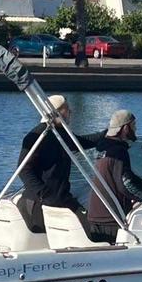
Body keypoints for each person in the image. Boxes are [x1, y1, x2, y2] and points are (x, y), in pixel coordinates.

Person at [17, 95, 105, 233]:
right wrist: (45, 194)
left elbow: (81, 142)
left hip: (58, 199)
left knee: (87, 216)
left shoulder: (60, 133)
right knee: (92, 230)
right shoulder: (38, 135)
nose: (71, 113)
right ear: (57, 112)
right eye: (68, 109)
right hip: (40, 204)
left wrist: (107, 133)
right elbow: (23, 170)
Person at [87, 109, 142, 244]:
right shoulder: (118, 151)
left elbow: (122, 178)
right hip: (112, 219)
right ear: (126, 128)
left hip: (95, 215)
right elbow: (127, 183)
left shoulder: (101, 149)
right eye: (134, 126)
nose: (136, 129)